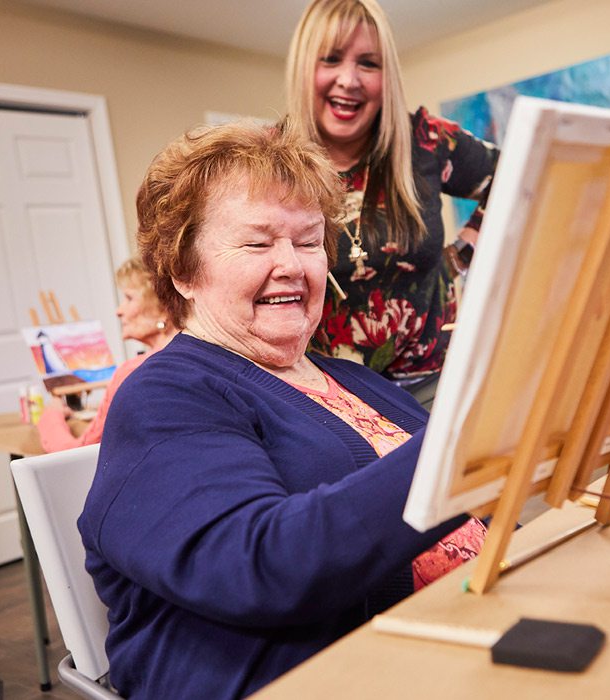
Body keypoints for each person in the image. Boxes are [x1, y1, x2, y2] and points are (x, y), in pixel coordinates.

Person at [78, 123, 485, 699]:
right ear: (182, 270)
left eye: (309, 241)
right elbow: (262, 566)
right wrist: (475, 431)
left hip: (467, 641)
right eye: (257, 242)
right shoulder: (166, 395)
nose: (293, 265)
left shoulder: (354, 378)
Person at [284, 0, 499, 405]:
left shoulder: (425, 141)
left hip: (438, 386)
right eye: (330, 59)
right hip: (329, 401)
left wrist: (459, 255)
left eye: (368, 63)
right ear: (303, 67)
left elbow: (516, 174)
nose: (349, 80)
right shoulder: (272, 161)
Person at [36, 257, 178, 452]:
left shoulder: (133, 371)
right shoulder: (197, 355)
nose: (119, 311)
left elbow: (78, 450)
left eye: (129, 298)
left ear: (165, 307)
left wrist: (51, 416)